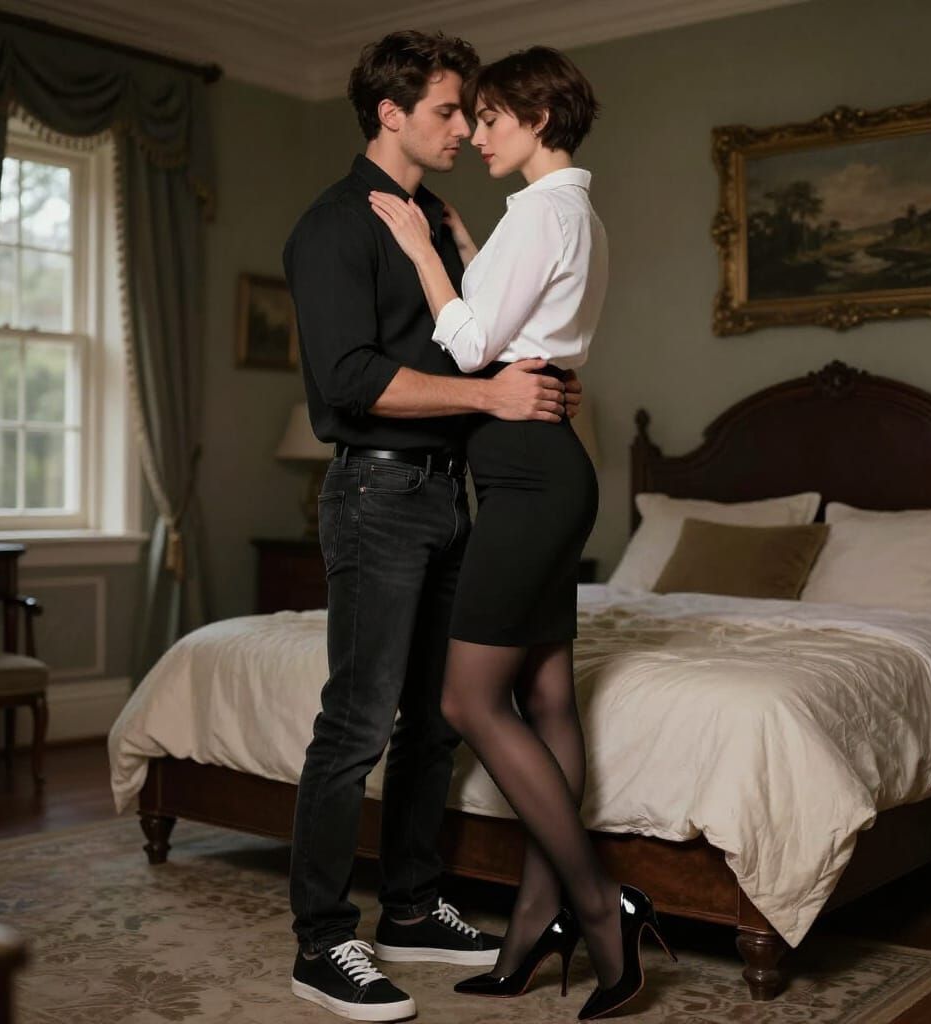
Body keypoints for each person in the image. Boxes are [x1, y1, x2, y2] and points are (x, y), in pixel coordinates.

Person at [282, 31, 582, 1023]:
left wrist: (528, 388)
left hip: (450, 496)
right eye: (450, 110)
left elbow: (484, 345)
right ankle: (322, 941)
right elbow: (349, 380)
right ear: (391, 113)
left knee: (430, 721)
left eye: (472, 112)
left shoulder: (443, 222)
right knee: (358, 720)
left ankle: (409, 902)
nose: (466, 125)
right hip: (374, 497)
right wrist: (491, 399)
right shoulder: (334, 226)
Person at [369, 46, 674, 1020]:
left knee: (468, 699)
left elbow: (470, 344)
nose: (476, 133)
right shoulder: (566, 214)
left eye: (493, 115)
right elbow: (538, 332)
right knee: (546, 696)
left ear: (539, 117)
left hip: (529, 480)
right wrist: (468, 248)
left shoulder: (540, 213)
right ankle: (528, 927)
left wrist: (422, 250)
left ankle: (600, 905)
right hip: (542, 470)